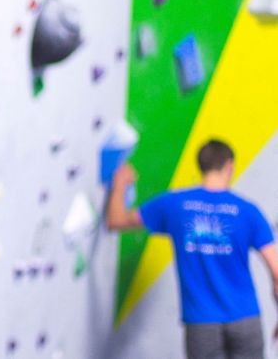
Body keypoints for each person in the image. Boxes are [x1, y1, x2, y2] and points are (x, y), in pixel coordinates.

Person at [107, 139, 278, 359]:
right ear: (229, 166)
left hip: (201, 322)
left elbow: (116, 220)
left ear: (201, 166)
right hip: (244, 319)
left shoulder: (174, 204)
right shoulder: (248, 211)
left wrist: (120, 185)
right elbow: (276, 272)